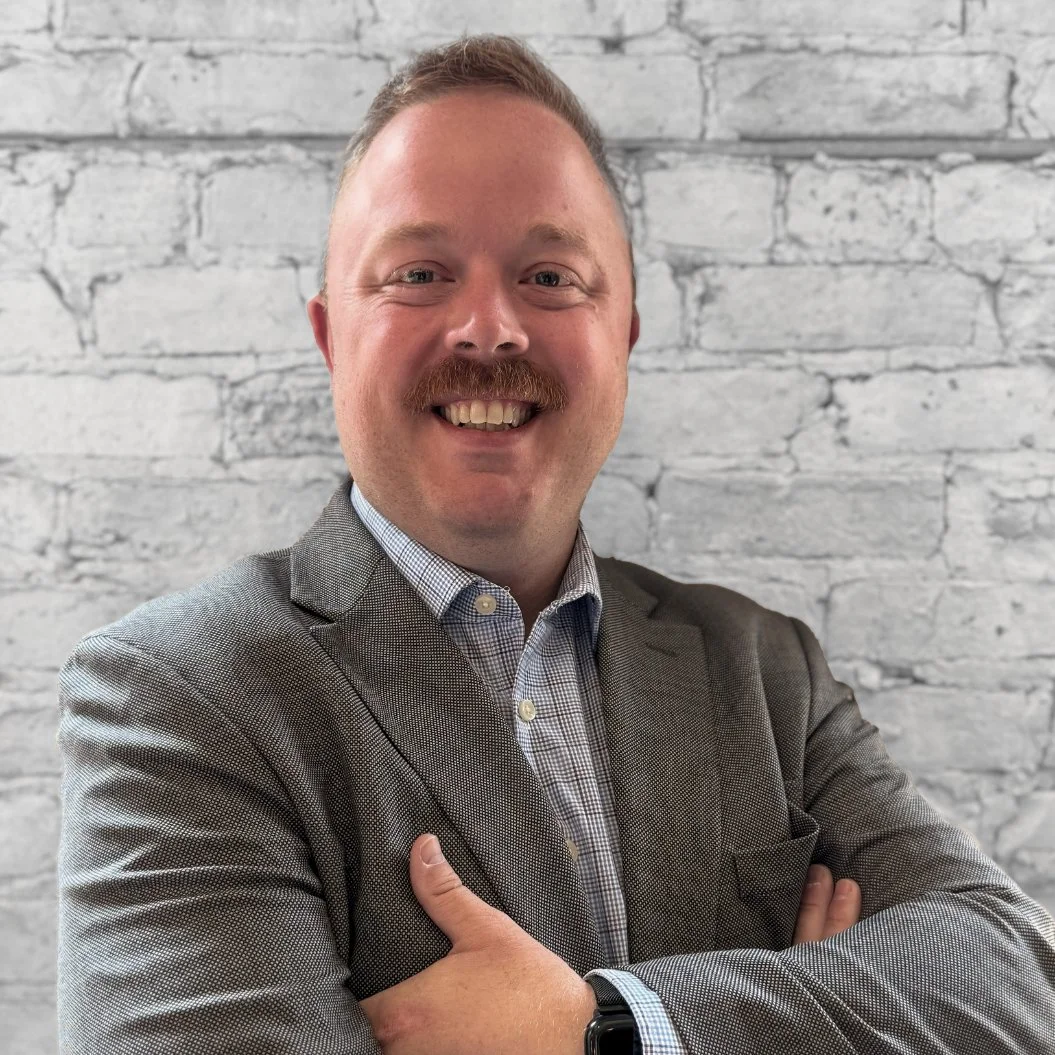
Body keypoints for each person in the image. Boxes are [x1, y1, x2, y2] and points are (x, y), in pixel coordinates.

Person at [56, 33, 1055, 1055]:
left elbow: (1011, 984)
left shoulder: (763, 672)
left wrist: (611, 1024)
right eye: (418, 273)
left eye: (548, 276)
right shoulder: (185, 696)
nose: (488, 328)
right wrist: (815, 1003)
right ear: (328, 334)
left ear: (620, 330)